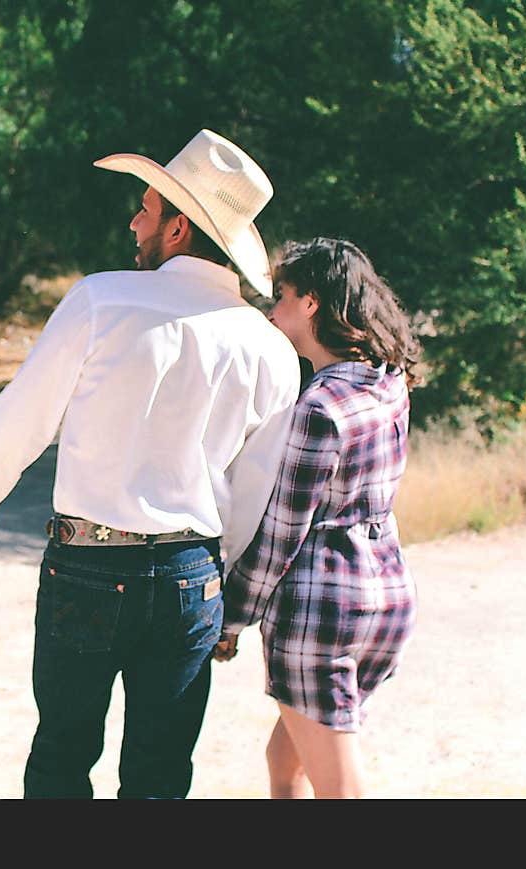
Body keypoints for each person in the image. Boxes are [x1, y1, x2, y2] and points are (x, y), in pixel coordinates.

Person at [0, 129, 300, 798]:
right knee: (161, 774)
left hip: (87, 564)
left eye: (146, 208)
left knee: (60, 759)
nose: (133, 220)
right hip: (189, 577)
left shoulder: (100, 300)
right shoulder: (269, 348)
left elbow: (23, 415)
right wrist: (221, 590)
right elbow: (257, 493)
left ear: (177, 228)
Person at [214, 237, 421, 798]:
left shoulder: (319, 409)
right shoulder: (387, 380)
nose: (270, 309)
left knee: (339, 793)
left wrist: (231, 620)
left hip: (321, 613)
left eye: (279, 296)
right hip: (387, 599)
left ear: (310, 304)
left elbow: (283, 535)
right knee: (286, 765)